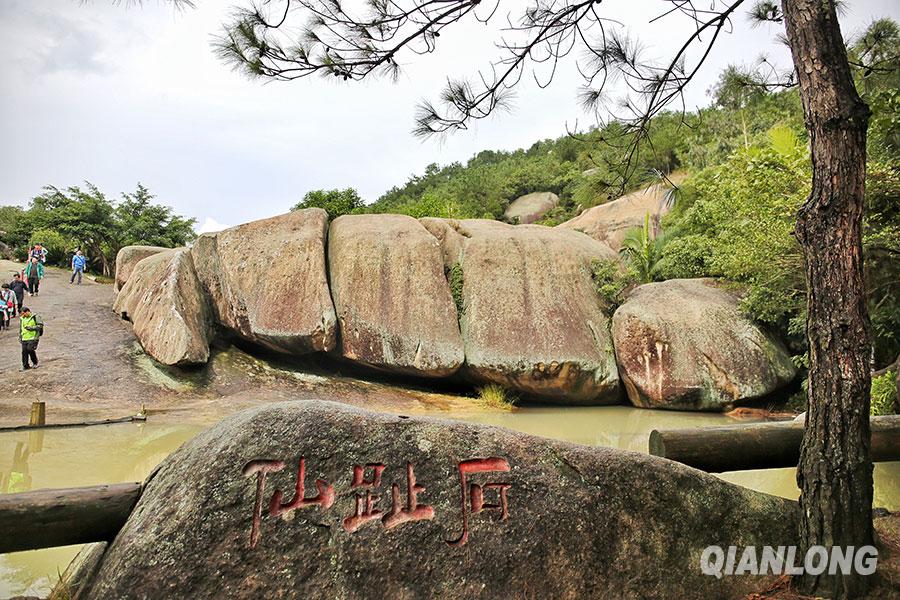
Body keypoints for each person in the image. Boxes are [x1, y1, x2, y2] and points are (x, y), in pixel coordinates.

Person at [18, 306, 42, 371]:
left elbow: (40, 326)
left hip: (33, 337)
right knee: (24, 352)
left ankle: (35, 362)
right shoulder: (22, 318)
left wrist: (31, 328)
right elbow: (21, 328)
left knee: (30, 349)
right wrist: (20, 336)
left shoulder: (35, 317)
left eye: (23, 313)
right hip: (24, 337)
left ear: (28, 311)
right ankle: (25, 365)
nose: (22, 315)